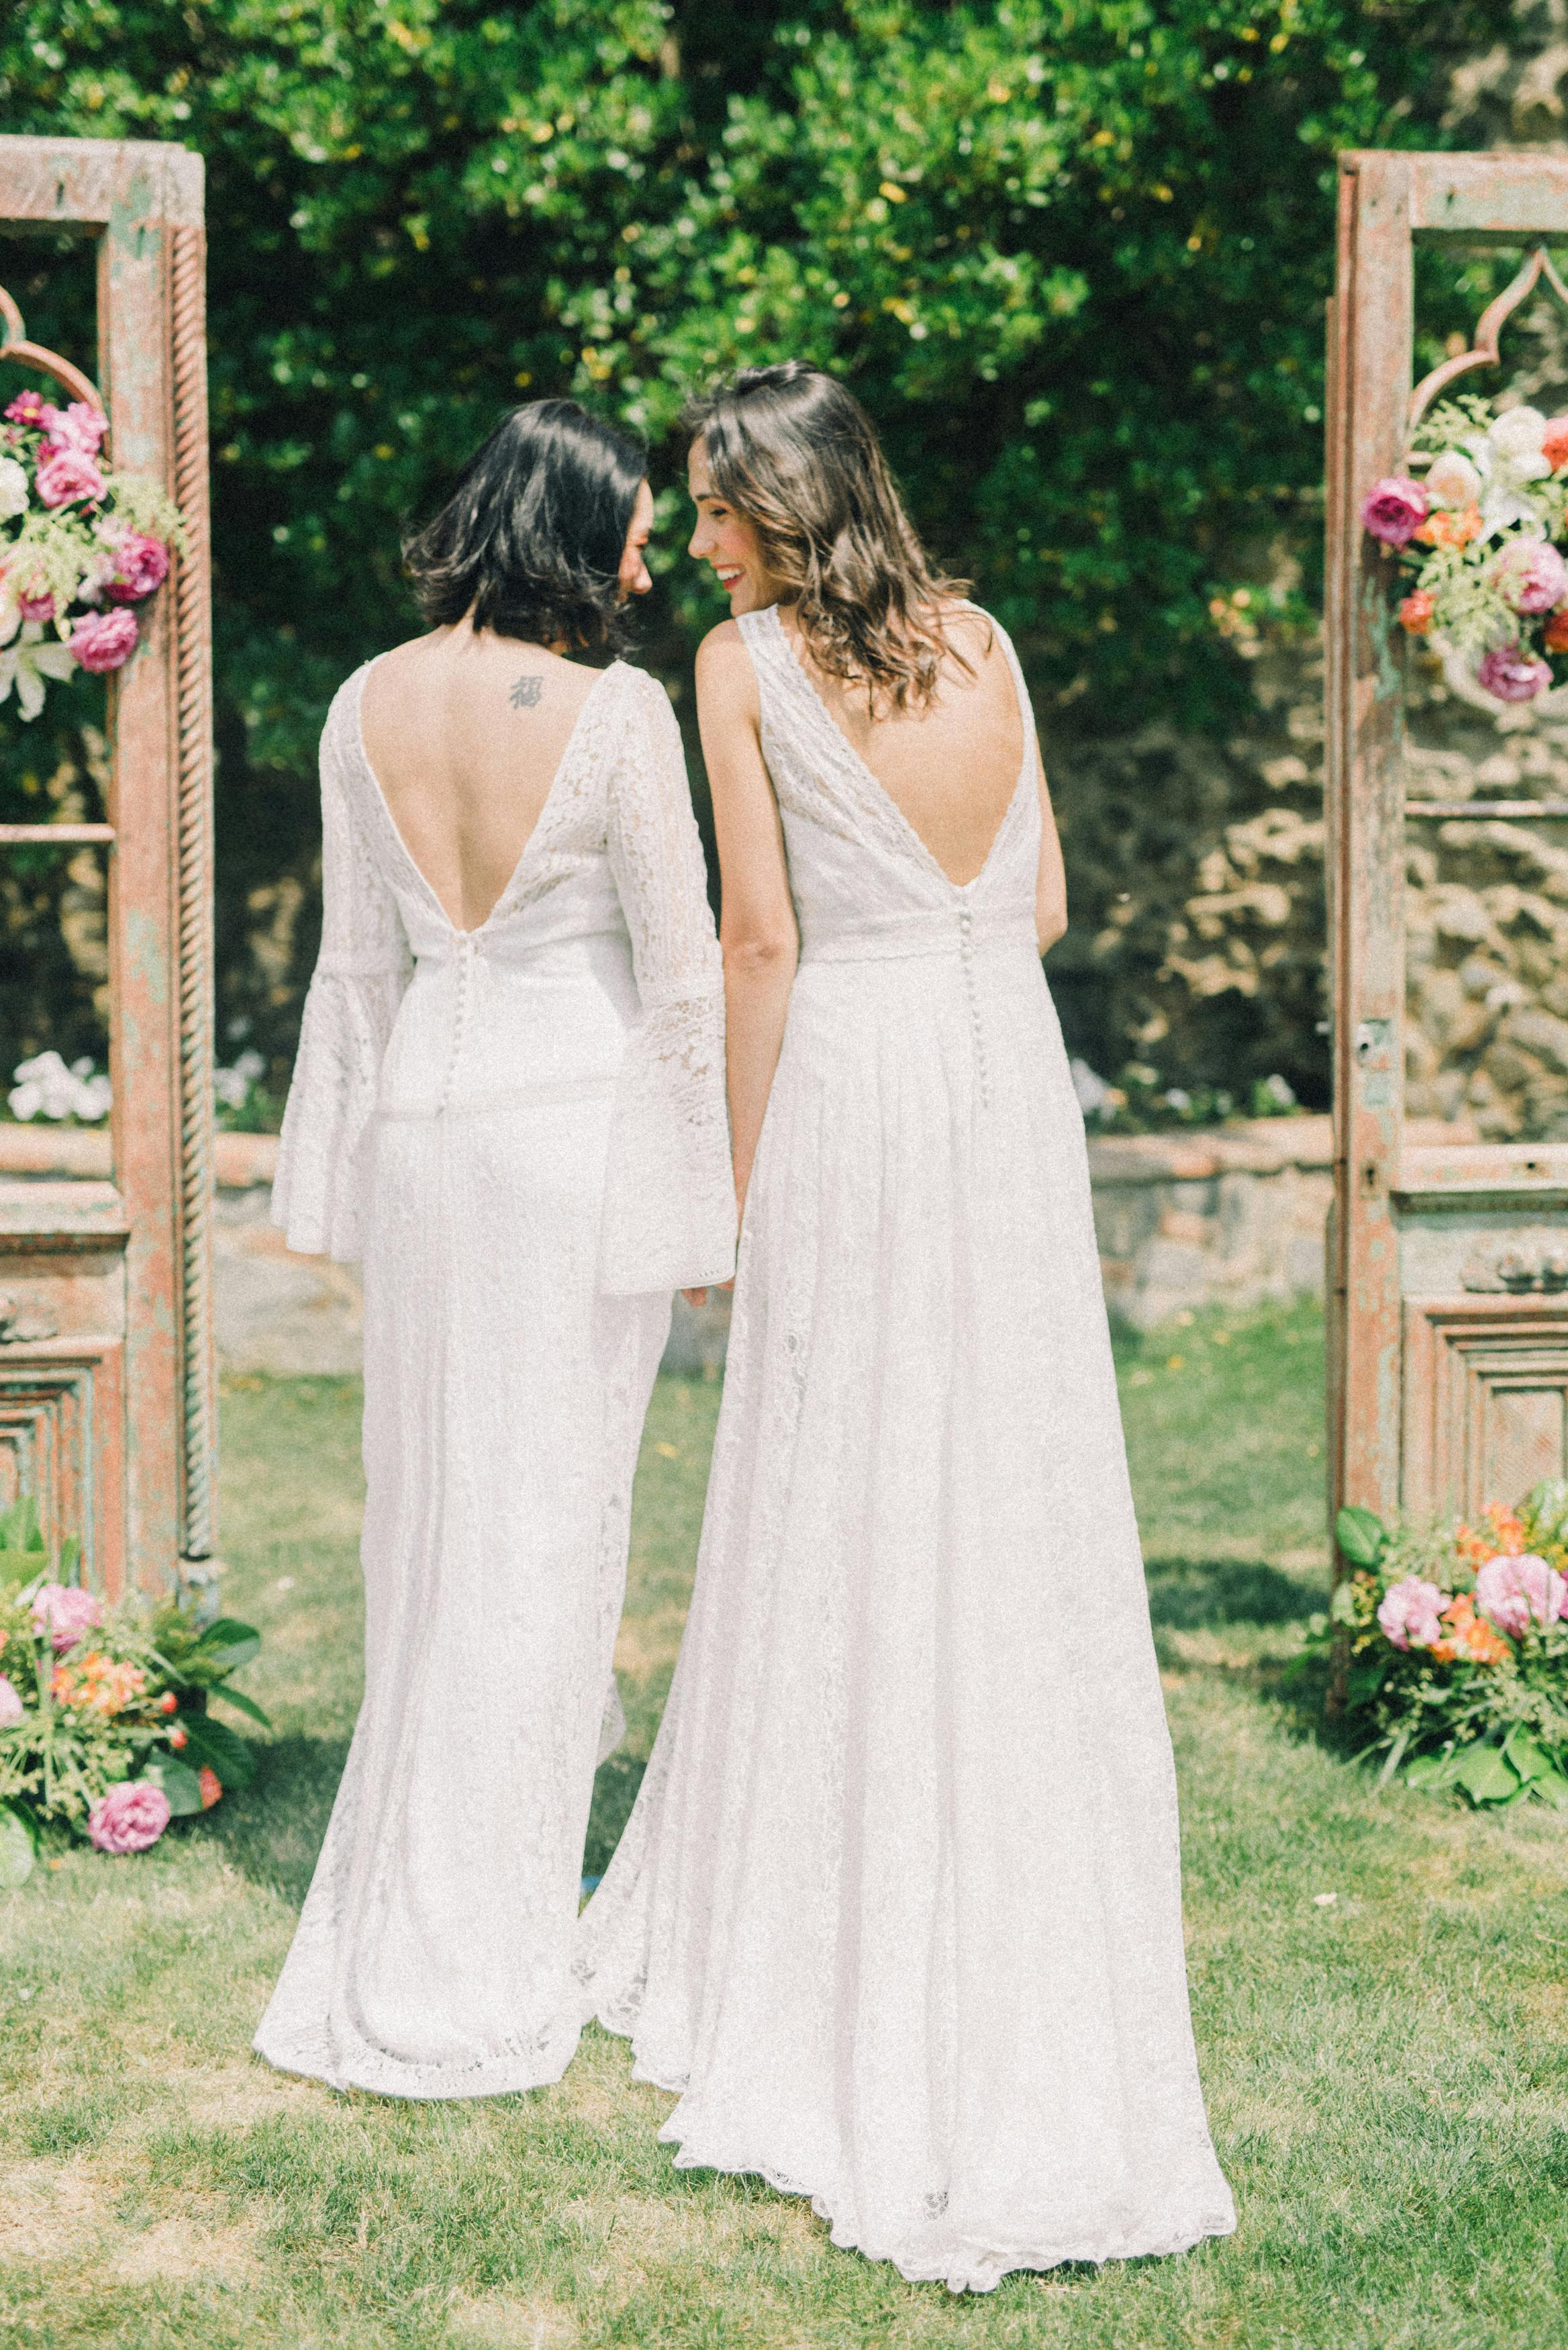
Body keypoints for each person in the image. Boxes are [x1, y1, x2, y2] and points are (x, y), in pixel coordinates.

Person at [574, 363, 1236, 2287]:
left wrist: (730, 1174)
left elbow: (759, 937)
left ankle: (826, 1884)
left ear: (783, 507)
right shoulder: (990, 636)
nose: (694, 540)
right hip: (1000, 1081)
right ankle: (997, 1808)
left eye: (713, 507)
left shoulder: (739, 660)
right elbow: (1036, 902)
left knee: (838, 1450)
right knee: (1004, 1453)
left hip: (855, 1075)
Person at [254, 400, 735, 2098]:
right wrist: (702, 1207)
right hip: (570, 1144)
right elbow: (685, 973)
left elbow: (353, 969)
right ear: (565, 526)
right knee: (549, 1517)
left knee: (433, 1508)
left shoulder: (359, 698)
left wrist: (334, 1191)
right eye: (630, 520)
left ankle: (435, 1865)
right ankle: (500, 1908)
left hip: (427, 1148)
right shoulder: (618, 716)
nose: (652, 550)